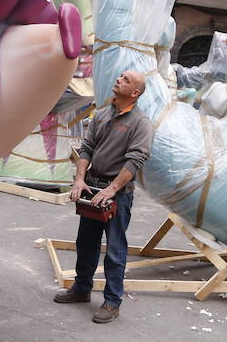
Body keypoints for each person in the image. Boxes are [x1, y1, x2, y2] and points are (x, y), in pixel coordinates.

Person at [53, 70, 153, 323]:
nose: (119, 79)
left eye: (126, 80)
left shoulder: (140, 123)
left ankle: (112, 301)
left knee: (115, 249)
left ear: (135, 93)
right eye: (120, 76)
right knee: (86, 243)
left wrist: (111, 190)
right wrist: (79, 180)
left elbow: (136, 160)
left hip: (116, 194)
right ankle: (82, 288)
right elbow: (87, 149)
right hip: (92, 188)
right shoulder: (102, 114)